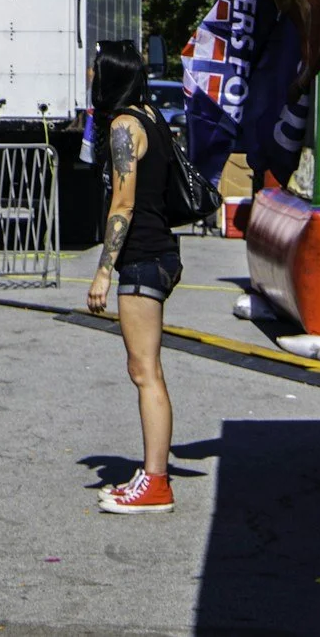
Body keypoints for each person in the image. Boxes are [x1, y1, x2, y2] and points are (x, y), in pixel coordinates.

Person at [85, 49, 180, 516]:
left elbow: (122, 205)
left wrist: (104, 269)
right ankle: (152, 474)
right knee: (145, 370)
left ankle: (156, 483)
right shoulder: (150, 115)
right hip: (158, 251)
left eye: (94, 76)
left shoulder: (124, 125)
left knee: (145, 372)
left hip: (141, 256)